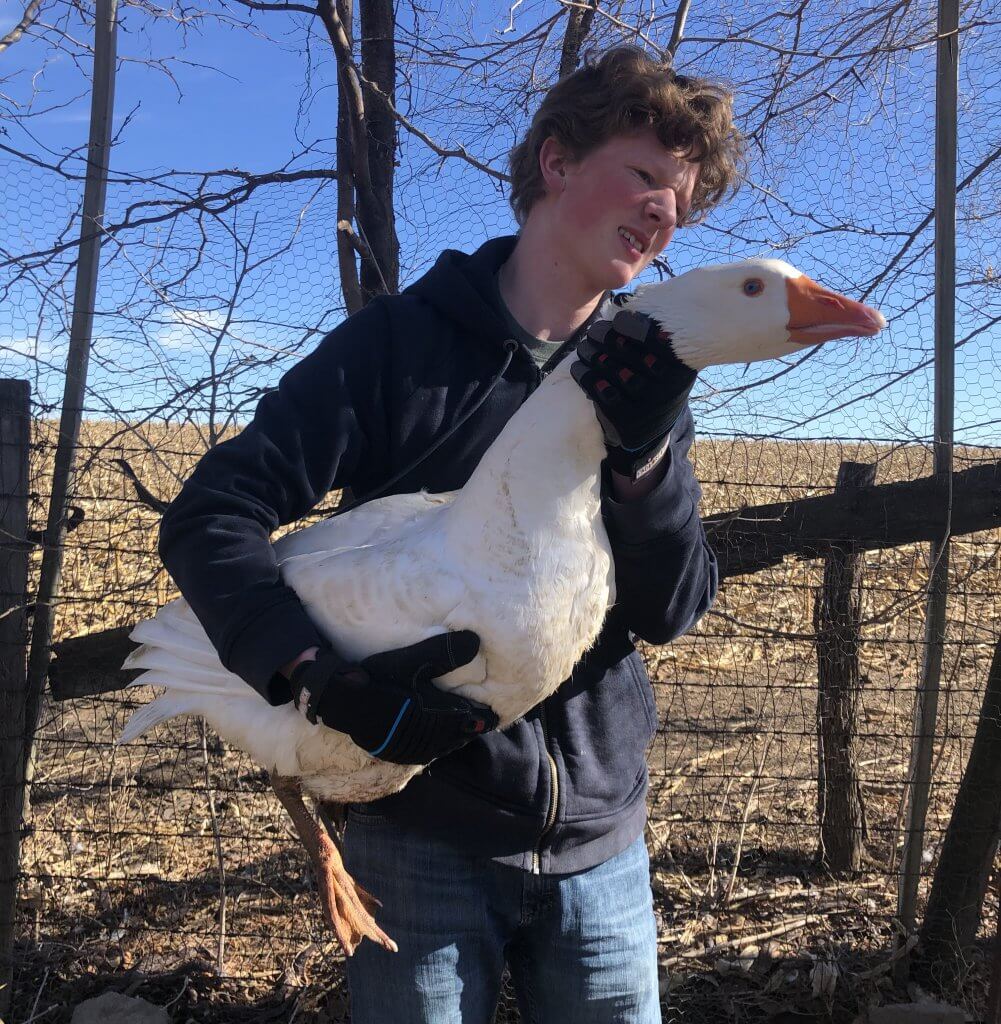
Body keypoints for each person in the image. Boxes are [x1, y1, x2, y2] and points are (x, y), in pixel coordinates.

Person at [158, 45, 742, 1024]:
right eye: (643, 175)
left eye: (678, 200)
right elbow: (213, 512)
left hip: (599, 840)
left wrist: (643, 464)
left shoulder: (641, 376)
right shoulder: (398, 350)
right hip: (417, 834)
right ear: (554, 163)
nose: (662, 212)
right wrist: (315, 674)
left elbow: (669, 607)